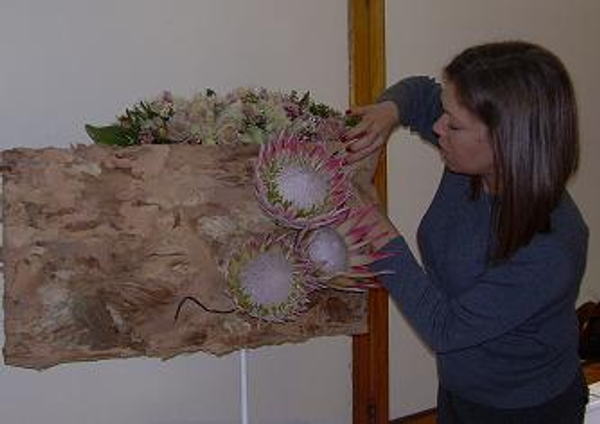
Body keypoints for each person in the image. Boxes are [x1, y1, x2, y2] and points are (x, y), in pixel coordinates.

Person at [344, 41, 590, 423]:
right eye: (444, 112)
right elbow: (420, 94)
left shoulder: (550, 248)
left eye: (454, 124)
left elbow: (445, 327)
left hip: (525, 409)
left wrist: (376, 232)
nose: (439, 127)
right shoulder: (472, 161)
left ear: (508, 141)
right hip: (462, 387)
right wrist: (387, 112)